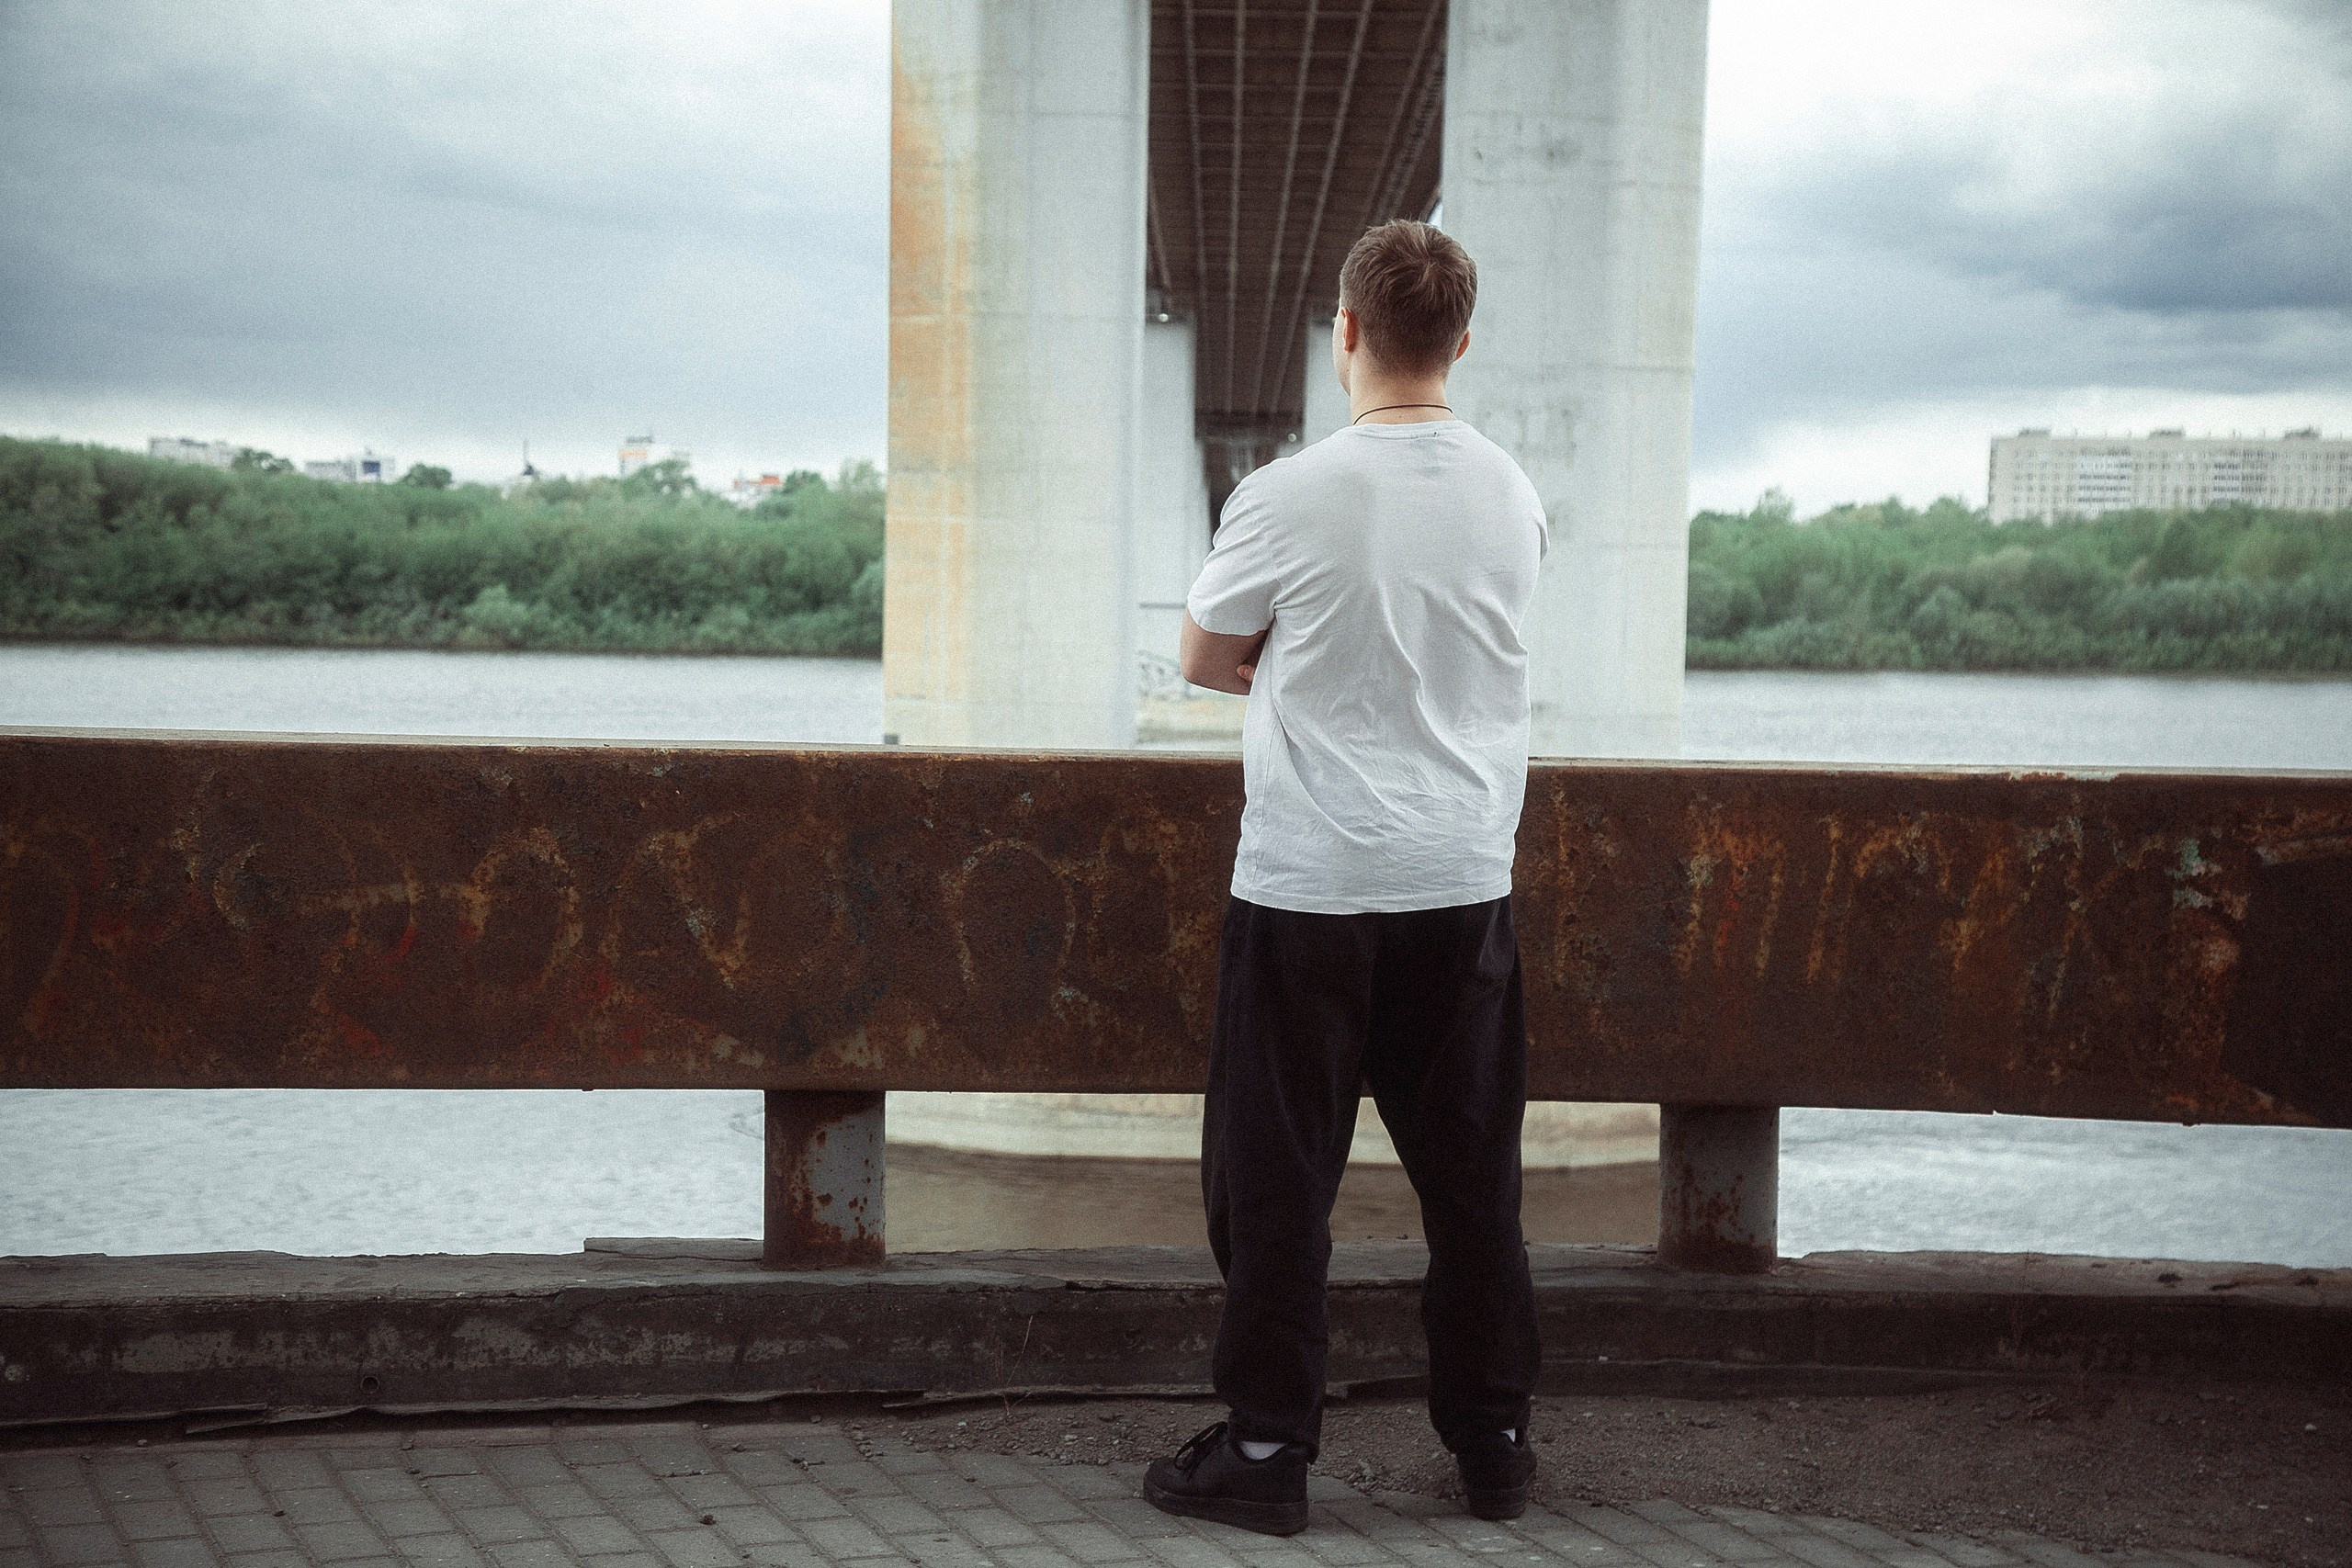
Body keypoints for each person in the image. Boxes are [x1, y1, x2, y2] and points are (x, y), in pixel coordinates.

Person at [1142, 220, 1548, 1537]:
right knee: (1474, 1183)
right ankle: (1493, 1447)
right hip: (1461, 882)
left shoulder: (1285, 492)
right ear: (1463, 342)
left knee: (1276, 1185)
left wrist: (1308, 667)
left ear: (1348, 334)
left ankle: (1266, 1454)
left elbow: (1205, 659)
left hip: (1311, 889)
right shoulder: (1512, 492)